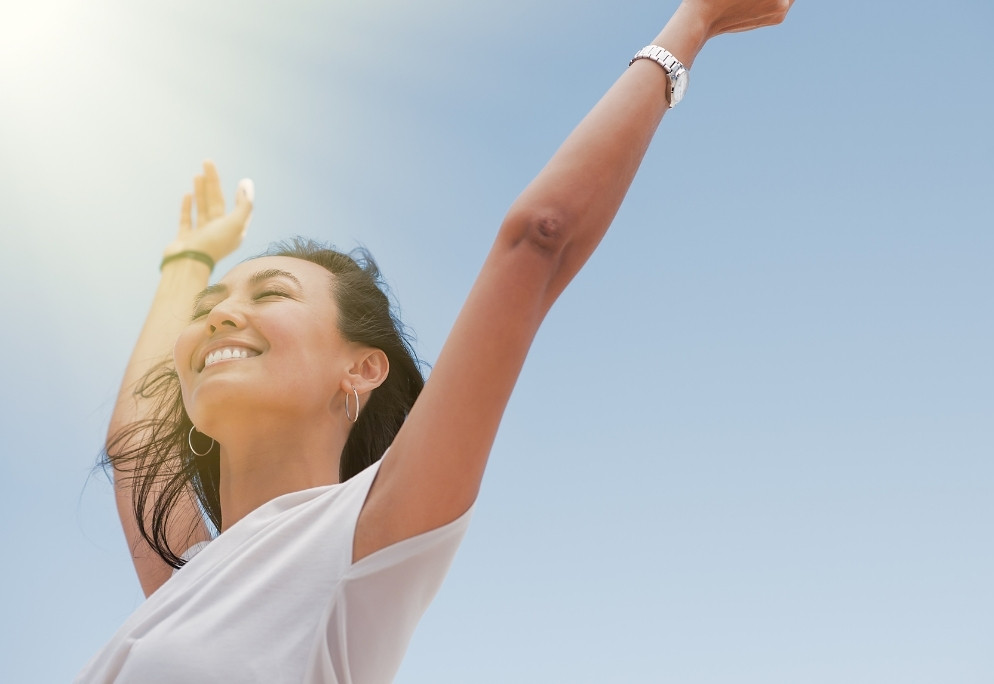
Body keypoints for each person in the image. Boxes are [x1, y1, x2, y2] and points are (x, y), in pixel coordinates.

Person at [77, 1, 793, 681]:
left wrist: (692, 24)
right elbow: (134, 446)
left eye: (270, 295)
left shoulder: (363, 540)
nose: (218, 317)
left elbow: (539, 239)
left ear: (360, 370)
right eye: (207, 309)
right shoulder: (196, 579)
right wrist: (186, 262)